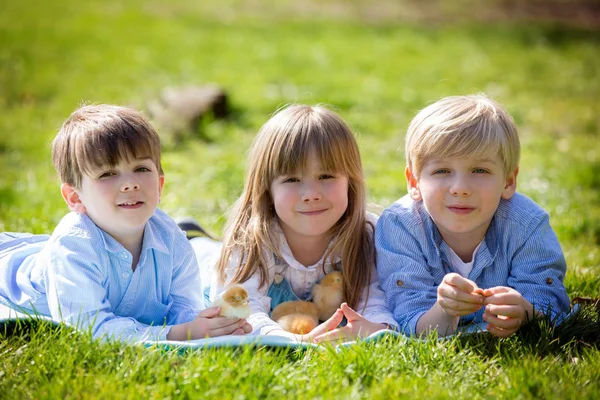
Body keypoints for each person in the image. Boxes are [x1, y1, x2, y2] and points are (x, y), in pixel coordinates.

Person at [0, 104, 250, 342]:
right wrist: (178, 333)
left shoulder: (170, 236)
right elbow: (90, 328)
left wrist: (208, 323)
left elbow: (184, 307)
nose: (130, 183)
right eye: (108, 174)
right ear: (75, 197)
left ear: (160, 185)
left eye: (141, 168)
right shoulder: (73, 247)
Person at [189, 104, 398, 342]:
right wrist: (286, 339)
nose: (311, 194)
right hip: (204, 264)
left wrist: (375, 328)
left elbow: (376, 299)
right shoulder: (251, 241)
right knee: (203, 250)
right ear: (267, 189)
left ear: (350, 181)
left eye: (326, 176)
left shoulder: (367, 236)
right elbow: (240, 313)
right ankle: (192, 233)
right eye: (292, 179)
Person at [376, 94, 570, 338]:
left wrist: (527, 312)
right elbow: (409, 320)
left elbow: (551, 302)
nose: (460, 187)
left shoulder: (526, 223)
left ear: (508, 181)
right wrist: (445, 310)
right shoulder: (400, 227)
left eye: (480, 170)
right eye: (442, 170)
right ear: (414, 182)